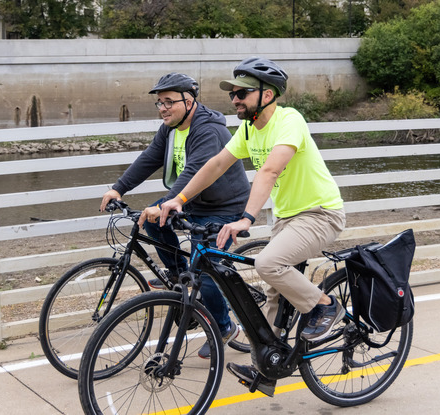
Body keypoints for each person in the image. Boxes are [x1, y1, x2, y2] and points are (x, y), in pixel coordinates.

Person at [159, 57, 346, 397]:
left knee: (268, 264)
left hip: (321, 213)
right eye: (232, 94)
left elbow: (269, 171)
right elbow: (217, 164)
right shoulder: (247, 129)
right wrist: (180, 199)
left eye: (242, 93)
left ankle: (325, 305)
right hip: (289, 218)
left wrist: (246, 217)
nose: (235, 100)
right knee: (276, 292)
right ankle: (270, 367)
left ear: (268, 94)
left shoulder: (290, 120)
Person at [100, 72, 251, 359]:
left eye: (169, 101)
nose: (163, 108)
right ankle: (179, 274)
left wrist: (169, 202)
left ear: (190, 100)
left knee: (205, 271)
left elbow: (196, 170)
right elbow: (149, 158)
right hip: (191, 202)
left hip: (223, 207)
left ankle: (224, 326)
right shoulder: (170, 128)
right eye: (159, 103)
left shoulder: (208, 130)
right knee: (153, 222)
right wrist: (118, 188)